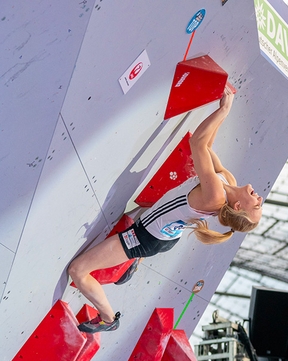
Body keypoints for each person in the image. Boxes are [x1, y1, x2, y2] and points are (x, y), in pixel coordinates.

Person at [69, 87, 263, 333]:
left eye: (256, 204)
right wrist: (218, 111)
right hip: (165, 234)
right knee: (141, 214)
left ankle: (109, 319)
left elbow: (197, 142)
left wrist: (224, 109)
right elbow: (208, 146)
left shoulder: (215, 195)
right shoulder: (228, 180)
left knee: (78, 270)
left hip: (146, 237)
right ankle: (130, 263)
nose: (259, 198)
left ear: (238, 207)